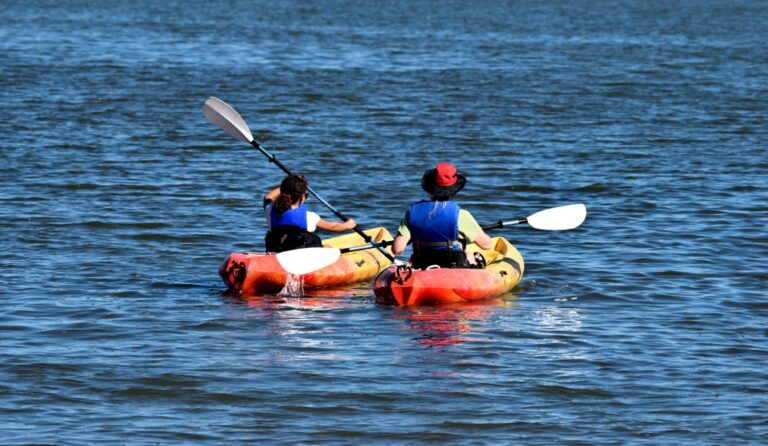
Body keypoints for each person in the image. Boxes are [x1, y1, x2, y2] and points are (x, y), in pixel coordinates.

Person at [392, 162, 493, 269]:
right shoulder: (460, 214)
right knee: (473, 255)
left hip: (421, 264)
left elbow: (397, 249)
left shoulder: (412, 212)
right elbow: (486, 245)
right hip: (453, 266)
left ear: (431, 187)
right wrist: (476, 232)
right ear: (454, 191)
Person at [263, 175, 356, 253]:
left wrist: (289, 186)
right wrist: (348, 225)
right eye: (305, 195)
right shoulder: (309, 217)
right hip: (301, 256)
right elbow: (332, 227)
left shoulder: (270, 210)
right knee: (328, 247)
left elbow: (268, 196)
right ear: (302, 197)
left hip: (277, 251)